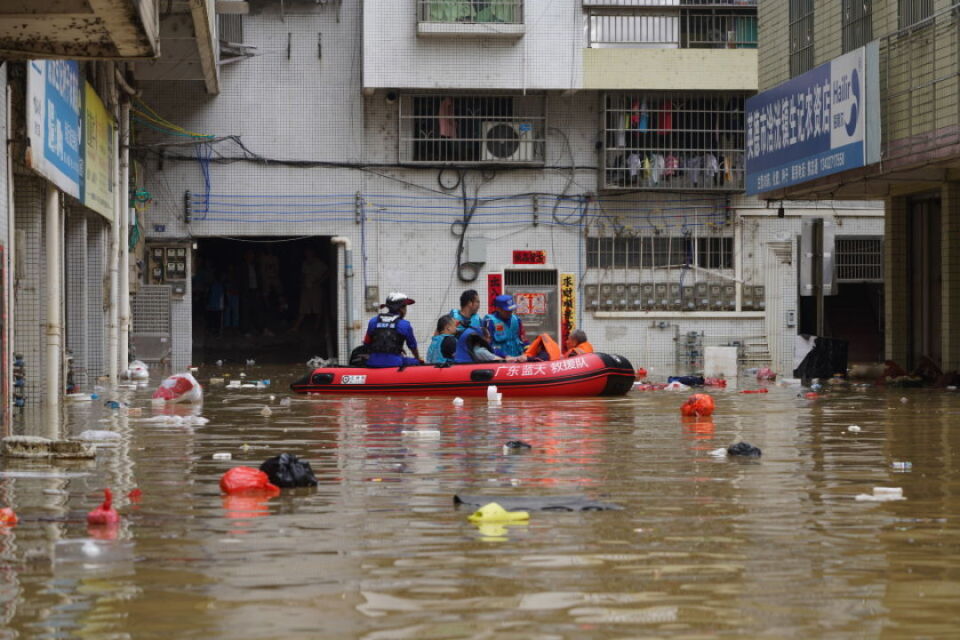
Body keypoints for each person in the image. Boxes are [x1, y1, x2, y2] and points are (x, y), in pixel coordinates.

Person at [363, 292, 422, 368]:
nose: (405, 310)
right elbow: (412, 346)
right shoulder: (404, 325)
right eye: (405, 307)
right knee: (416, 362)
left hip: (373, 362)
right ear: (401, 308)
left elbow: (366, 343)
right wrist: (418, 358)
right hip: (395, 363)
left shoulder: (373, 321)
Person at [292, 247, 329, 332]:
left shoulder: (319, 263)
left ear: (313, 253)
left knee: (317, 308)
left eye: (309, 252)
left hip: (316, 288)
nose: (307, 254)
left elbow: (328, 272)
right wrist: (302, 284)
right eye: (306, 252)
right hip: (306, 288)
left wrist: (319, 281)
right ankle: (296, 327)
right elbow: (303, 275)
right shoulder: (305, 263)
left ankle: (316, 327)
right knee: (303, 308)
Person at [454, 326, 524, 363]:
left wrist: (506, 356)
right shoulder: (480, 351)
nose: (490, 340)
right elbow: (500, 360)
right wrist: (516, 359)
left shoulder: (475, 349)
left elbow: (495, 351)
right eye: (489, 337)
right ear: (483, 338)